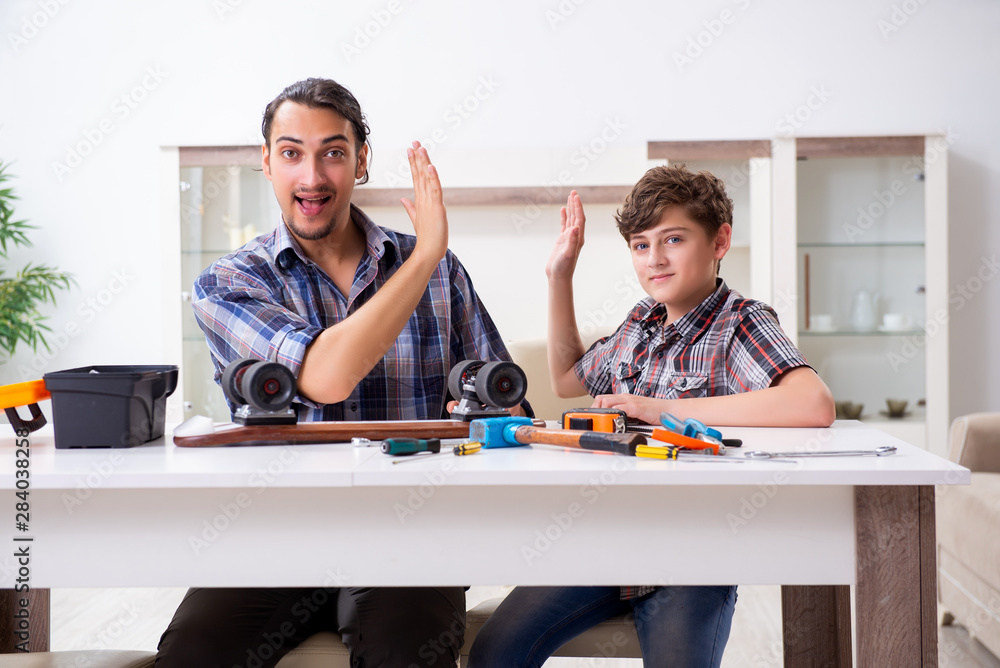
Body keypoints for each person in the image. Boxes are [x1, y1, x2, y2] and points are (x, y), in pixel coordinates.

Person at [156, 78, 522, 668]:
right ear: (268, 163)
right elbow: (326, 377)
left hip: (411, 535)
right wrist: (425, 255)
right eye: (292, 152)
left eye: (332, 152)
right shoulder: (229, 283)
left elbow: (510, 412)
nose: (312, 176)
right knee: (194, 652)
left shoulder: (443, 274)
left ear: (360, 161)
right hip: (279, 533)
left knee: (404, 649)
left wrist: (482, 422)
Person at [468, 165, 835, 667]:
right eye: (641, 245)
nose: (655, 259)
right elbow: (567, 378)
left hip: (693, 558)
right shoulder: (642, 320)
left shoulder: (741, 321)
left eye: (673, 239)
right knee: (493, 653)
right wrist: (560, 277)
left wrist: (659, 409)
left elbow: (812, 403)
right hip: (605, 544)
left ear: (720, 240)